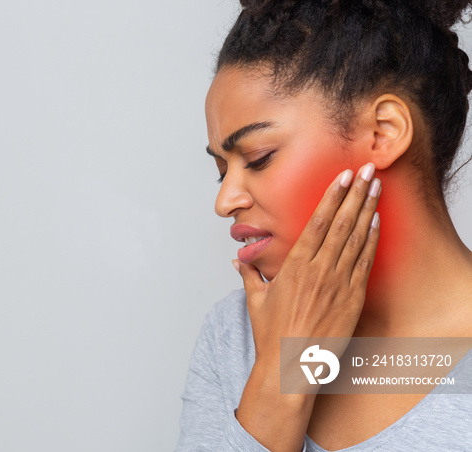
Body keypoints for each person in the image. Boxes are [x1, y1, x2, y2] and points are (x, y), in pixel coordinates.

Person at [175, 1, 472, 451]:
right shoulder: (233, 338)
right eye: (222, 170)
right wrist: (280, 378)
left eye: (258, 158)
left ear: (383, 132)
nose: (225, 201)